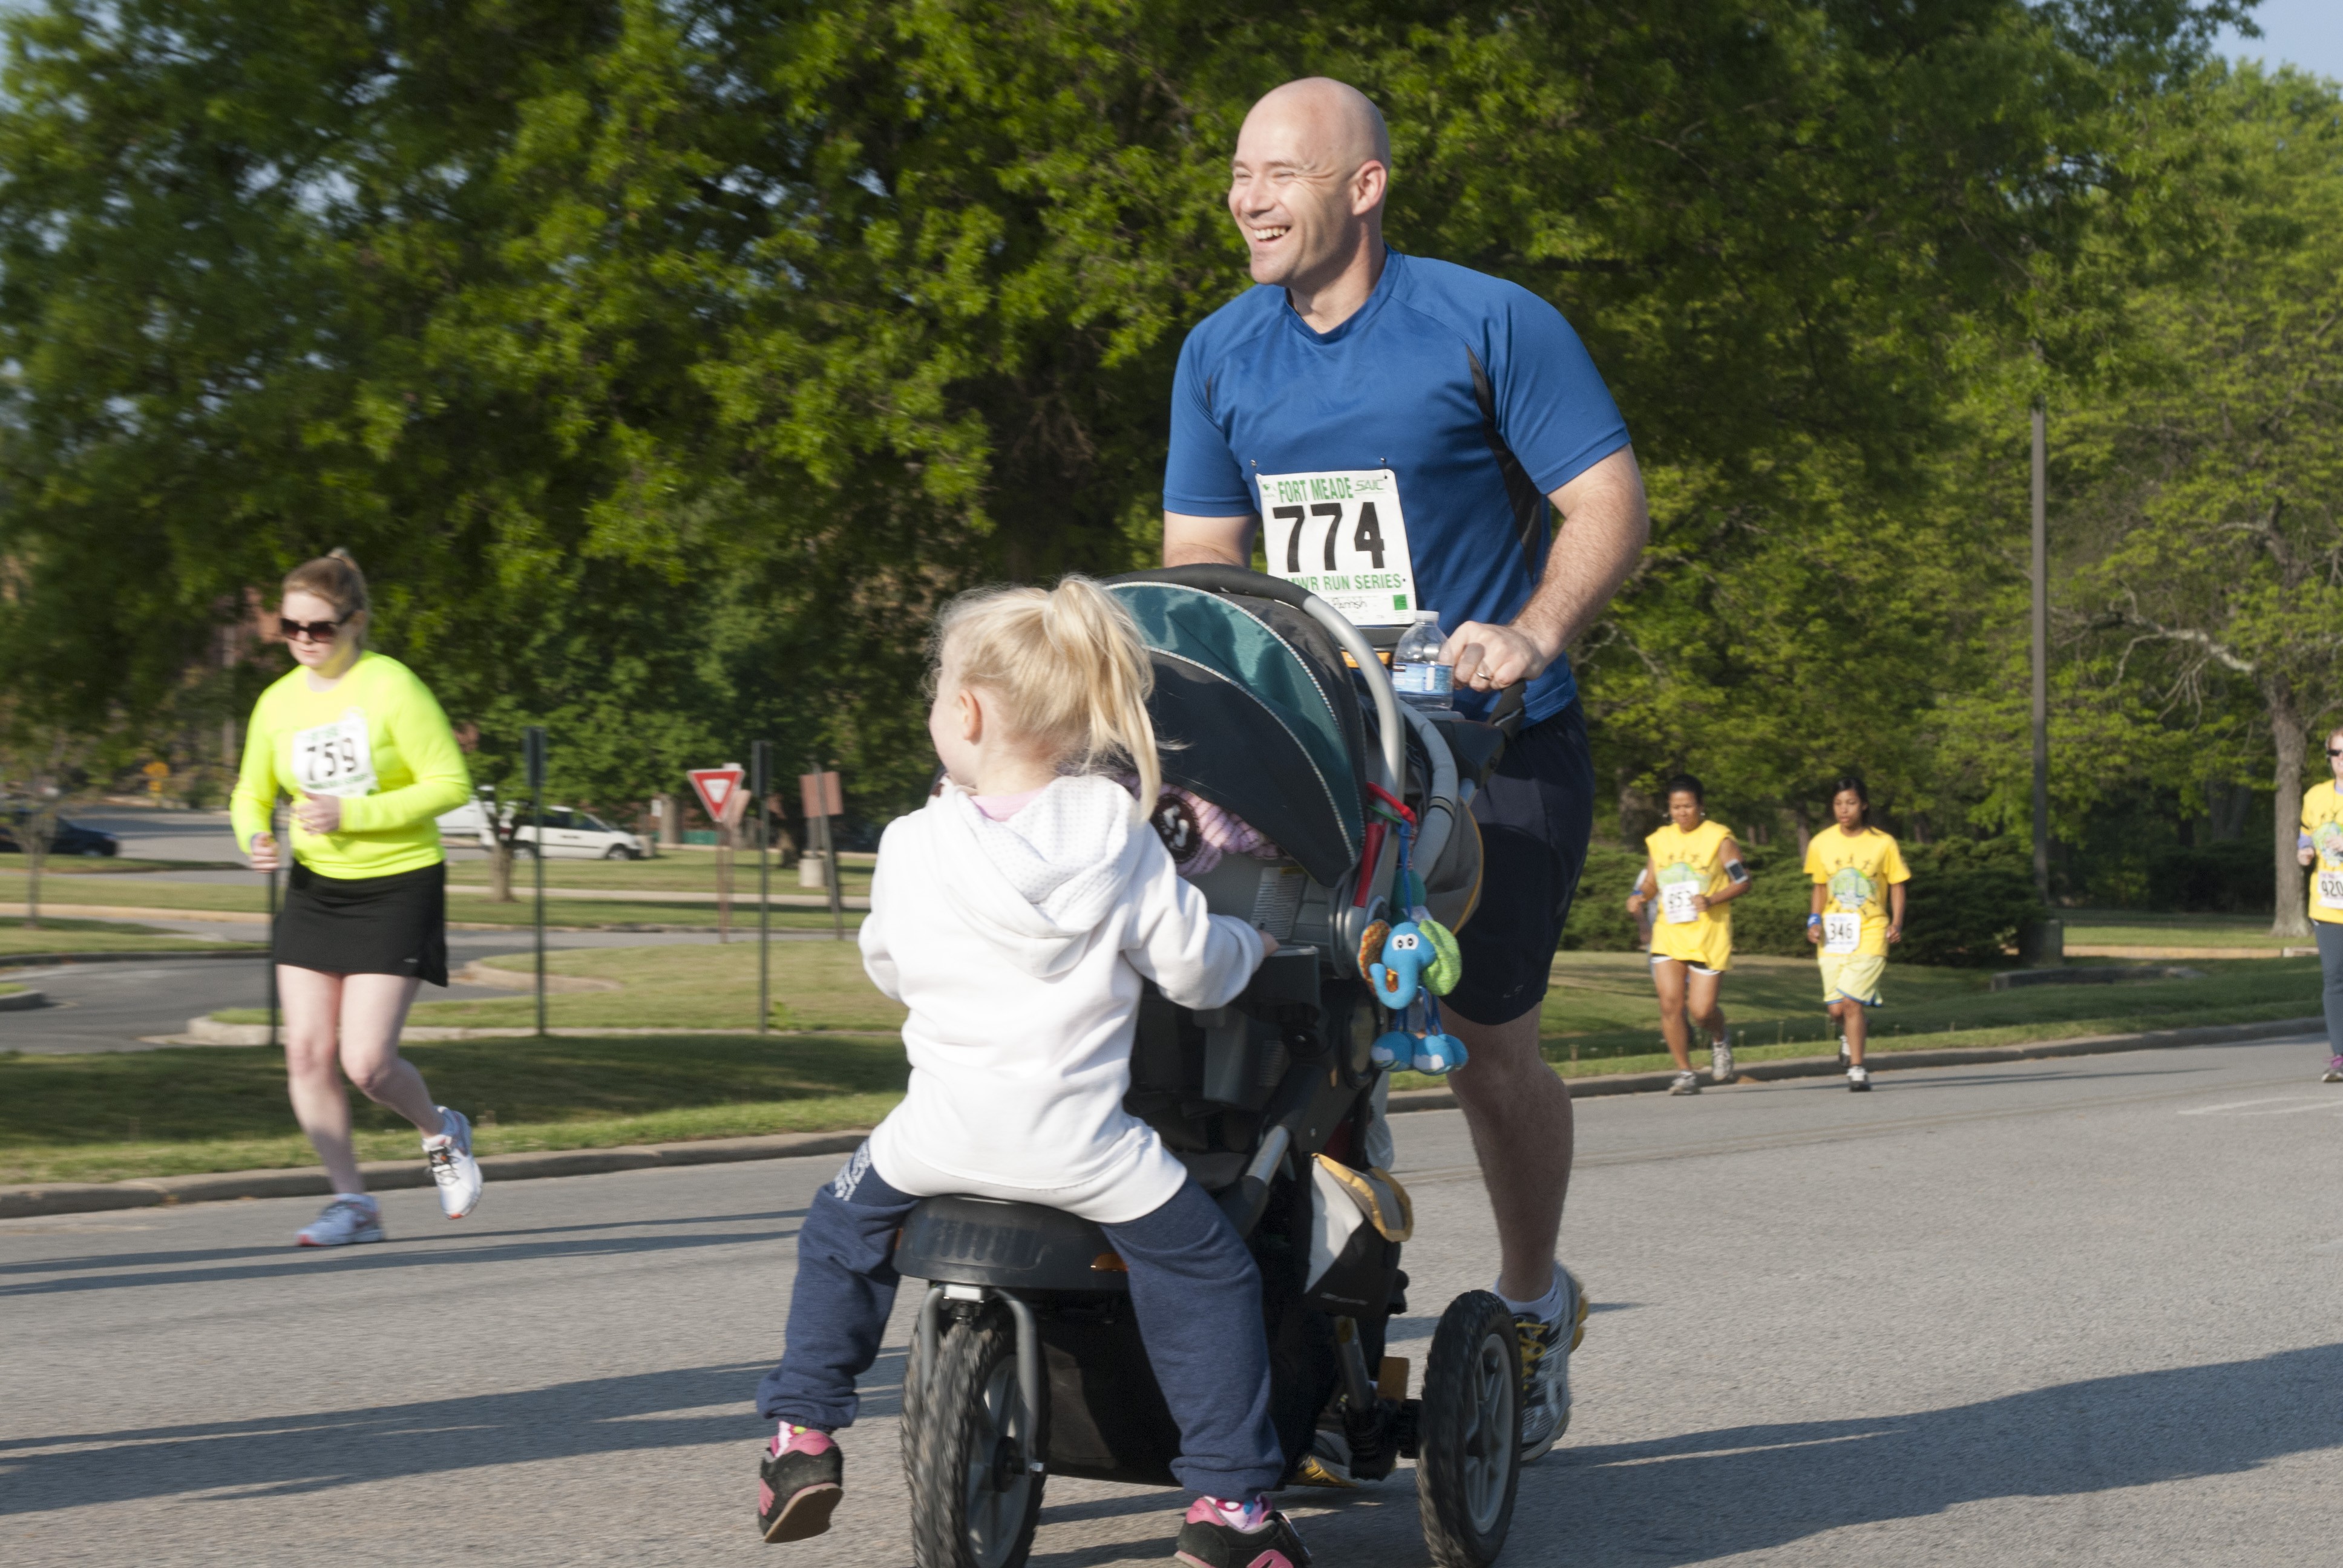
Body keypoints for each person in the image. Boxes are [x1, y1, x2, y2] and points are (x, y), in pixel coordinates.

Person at [1161, 74, 1645, 1462]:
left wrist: (1532, 631)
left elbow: (1606, 501)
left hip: (1487, 747)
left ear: (1362, 187)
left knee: (1488, 1046)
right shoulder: (1220, 354)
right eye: (1238, 173)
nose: (1247, 198)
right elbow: (1200, 559)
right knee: (1270, 1038)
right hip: (1310, 749)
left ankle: (1537, 1302)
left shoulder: (1488, 323)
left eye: (1280, 174)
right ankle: (1309, 1342)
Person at [752, 578, 1305, 1568]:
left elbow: (888, 961)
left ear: (963, 710)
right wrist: (1250, 943)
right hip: (1081, 1146)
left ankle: (801, 1438)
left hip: (937, 1134)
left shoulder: (912, 843)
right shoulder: (1118, 837)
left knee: (840, 1227)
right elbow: (1192, 968)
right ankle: (1229, 1505)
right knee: (1210, 1269)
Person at [231, 550, 483, 1246]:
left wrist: (351, 814)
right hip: (316, 889)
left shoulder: (391, 687)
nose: (305, 640)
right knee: (307, 1054)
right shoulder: (276, 702)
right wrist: (253, 833)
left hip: (398, 881)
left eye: (320, 627)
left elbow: (449, 784)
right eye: (291, 627)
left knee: (365, 1063)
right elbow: (251, 791)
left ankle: (441, 1133)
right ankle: (353, 1203)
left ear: (356, 622)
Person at [1627, 775, 1750, 1095]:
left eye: (1688, 806)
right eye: (1676, 807)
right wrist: (1641, 895)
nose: (1682, 813)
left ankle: (1720, 1038)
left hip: (1708, 934)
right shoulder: (1660, 840)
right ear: (1669, 809)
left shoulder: (1720, 839)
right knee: (1670, 1004)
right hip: (1669, 933)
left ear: (1701, 806)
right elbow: (1653, 882)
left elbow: (1742, 881)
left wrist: (1711, 900)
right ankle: (1685, 1073)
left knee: (1702, 1010)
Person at [1802, 777, 1910, 1091]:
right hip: (1834, 935)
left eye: (1850, 803)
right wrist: (1813, 919)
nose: (1844, 809)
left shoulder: (1883, 843)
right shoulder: (1821, 842)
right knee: (1837, 1009)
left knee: (1851, 1003)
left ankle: (1858, 1069)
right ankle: (1853, 1031)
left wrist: (1897, 922)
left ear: (1863, 804)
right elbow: (1820, 887)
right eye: (1838, 804)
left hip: (1872, 930)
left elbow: (1898, 884)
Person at [2295, 725, 2343, 1083]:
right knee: (2334, 979)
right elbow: (2305, 836)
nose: (2342, 760)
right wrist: (2305, 851)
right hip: (2328, 904)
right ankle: (2340, 1056)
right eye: (2336, 754)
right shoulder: (2315, 796)